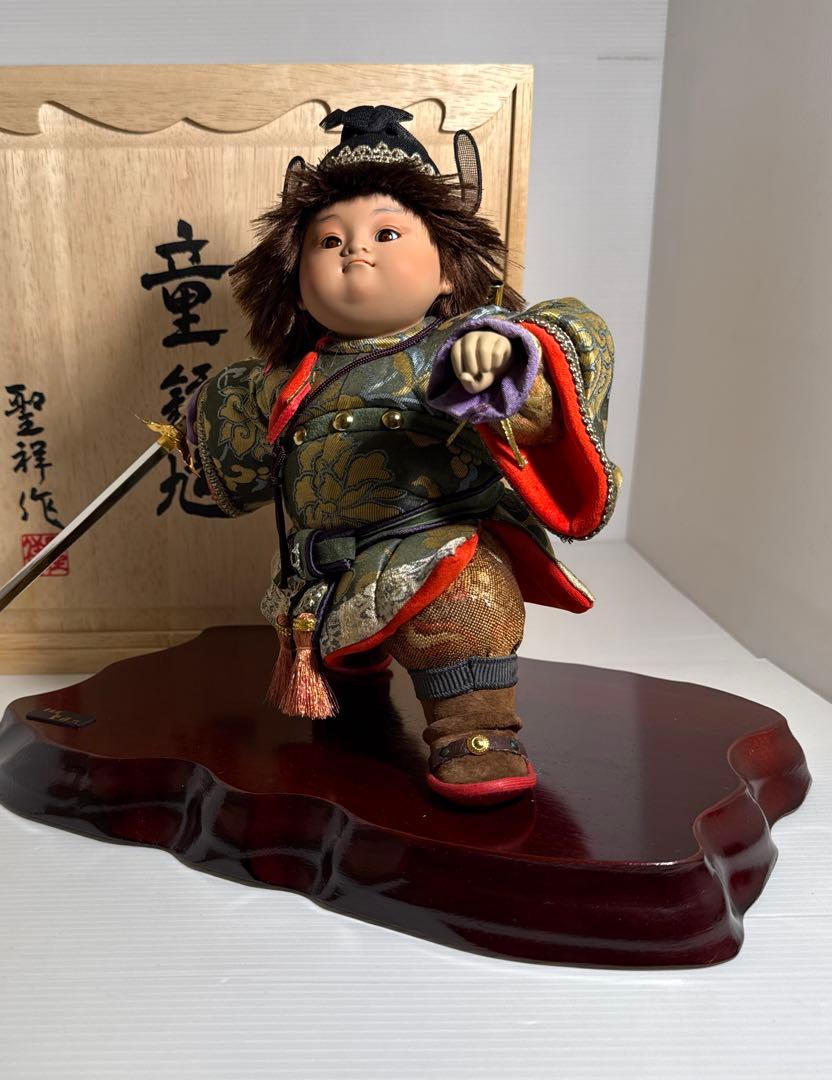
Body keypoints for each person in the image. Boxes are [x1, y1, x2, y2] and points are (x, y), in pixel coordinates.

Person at [175, 105, 619, 806]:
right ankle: (352, 685)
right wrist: (199, 427)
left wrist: (502, 365)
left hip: (432, 544)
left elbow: (545, 387)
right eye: (329, 240)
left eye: (386, 233)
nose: (355, 251)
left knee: (461, 604)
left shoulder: (462, 342)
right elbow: (244, 469)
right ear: (295, 280)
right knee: (340, 669)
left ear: (446, 269)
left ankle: (476, 729)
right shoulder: (281, 379)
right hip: (321, 567)